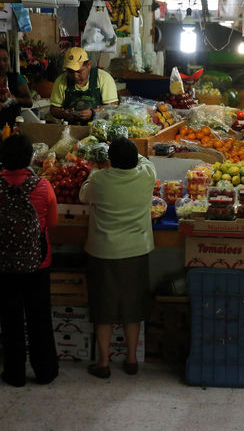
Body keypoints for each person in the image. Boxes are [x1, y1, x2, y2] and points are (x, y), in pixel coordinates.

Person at [0, 134, 59, 387]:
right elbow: (52, 223)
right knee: (39, 318)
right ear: (30, 158)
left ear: (2, 159)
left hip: (0, 264)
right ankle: (45, 372)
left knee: (10, 319)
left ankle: (14, 374)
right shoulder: (43, 186)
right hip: (37, 263)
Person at [79, 139, 157, 379]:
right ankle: (131, 359)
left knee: (104, 307)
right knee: (132, 306)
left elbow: (84, 195)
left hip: (104, 252)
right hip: (136, 250)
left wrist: (95, 171)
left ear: (110, 161)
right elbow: (146, 161)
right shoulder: (146, 176)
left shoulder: (100, 180)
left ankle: (103, 362)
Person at [50, 47, 119, 124]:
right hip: (71, 129)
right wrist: (64, 114)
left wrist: (93, 113)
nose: (75, 76)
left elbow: (113, 107)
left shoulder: (103, 78)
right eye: (70, 72)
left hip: (99, 129)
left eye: (79, 71)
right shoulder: (61, 81)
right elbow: (53, 109)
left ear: (88, 65)